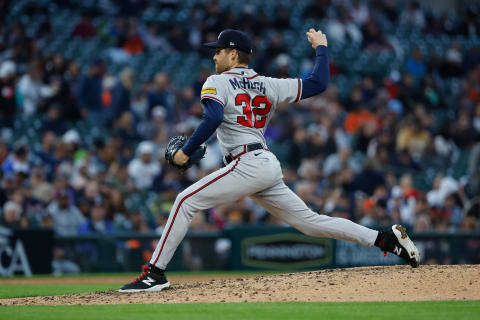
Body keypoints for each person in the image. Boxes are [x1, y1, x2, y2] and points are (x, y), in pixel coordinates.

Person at [119, 29, 420, 293]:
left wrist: (186, 149)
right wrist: (321, 47)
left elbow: (212, 117)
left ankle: (154, 275)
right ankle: (386, 240)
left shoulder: (217, 81)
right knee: (311, 223)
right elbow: (318, 83)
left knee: (185, 200)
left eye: (219, 51)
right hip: (263, 162)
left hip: (246, 163)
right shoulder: (270, 84)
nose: (215, 57)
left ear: (233, 54)